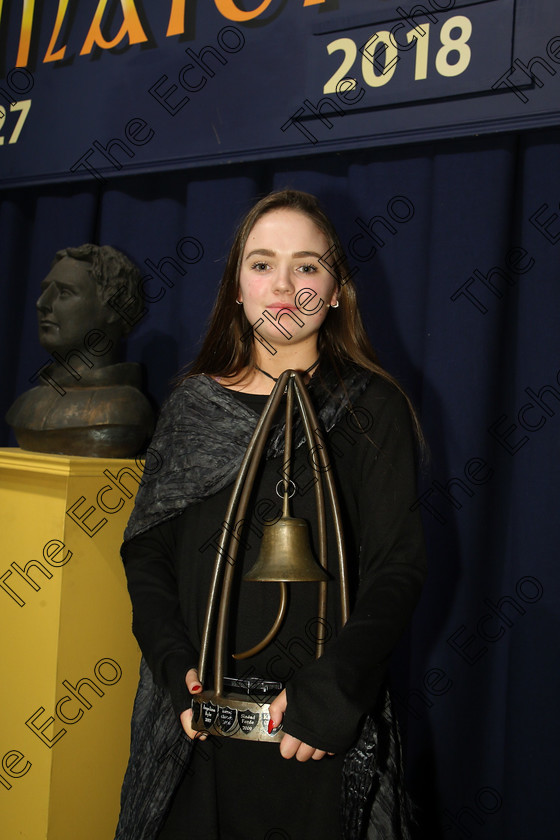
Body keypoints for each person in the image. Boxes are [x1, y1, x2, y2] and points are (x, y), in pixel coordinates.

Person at [115, 190, 427, 840]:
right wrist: (177, 670)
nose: (284, 284)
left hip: (317, 736)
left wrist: (334, 691)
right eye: (262, 264)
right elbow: (147, 554)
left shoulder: (373, 409)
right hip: (193, 736)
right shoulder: (192, 409)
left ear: (336, 290)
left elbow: (397, 568)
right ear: (236, 286)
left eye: (307, 265)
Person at [6, 244, 153, 457]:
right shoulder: (26, 406)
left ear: (115, 307)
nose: (42, 303)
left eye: (64, 293)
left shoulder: (123, 411)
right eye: (45, 291)